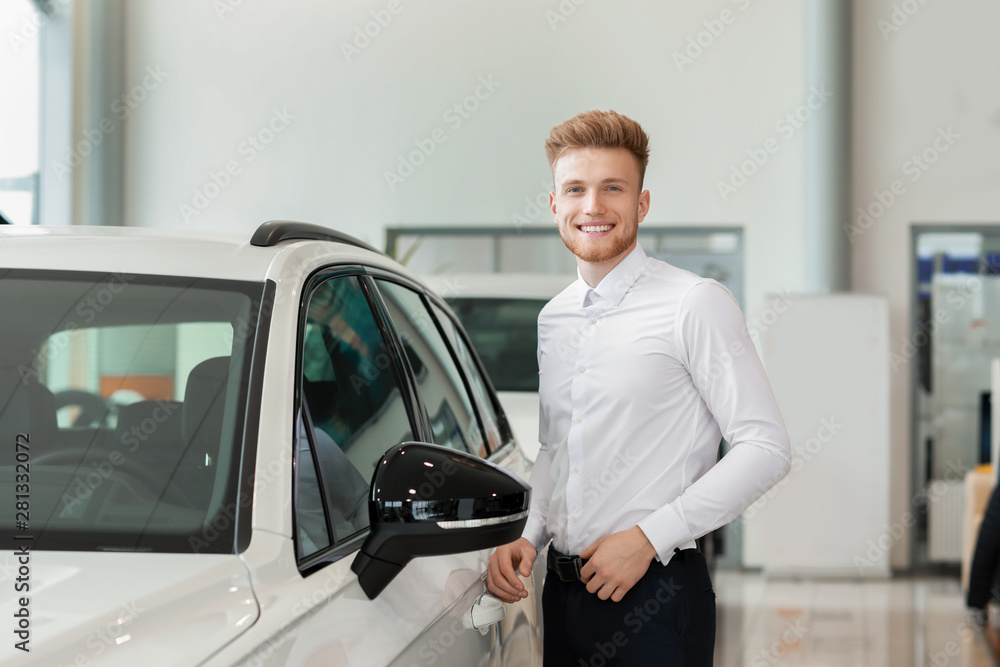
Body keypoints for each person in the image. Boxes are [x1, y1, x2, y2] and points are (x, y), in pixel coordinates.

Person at [486, 110, 792, 665]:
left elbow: (766, 449)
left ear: (641, 204)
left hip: (655, 593)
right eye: (575, 189)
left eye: (613, 189)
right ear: (554, 204)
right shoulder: (553, 318)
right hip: (562, 592)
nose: (593, 207)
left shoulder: (694, 303)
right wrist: (530, 535)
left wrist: (649, 538)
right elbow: (558, 449)